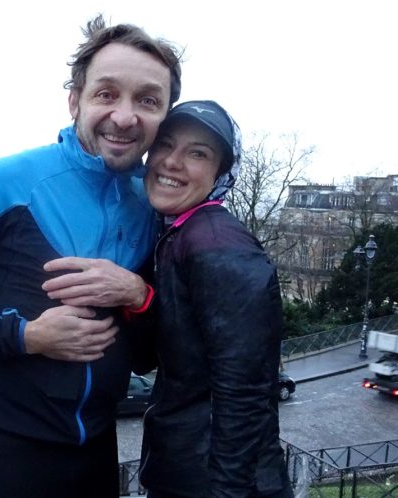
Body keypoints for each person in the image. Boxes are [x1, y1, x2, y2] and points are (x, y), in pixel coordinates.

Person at [0, 14, 181, 498]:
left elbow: (149, 354)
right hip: (7, 443)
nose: (126, 116)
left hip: (97, 441)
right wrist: (27, 336)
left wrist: (138, 293)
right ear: (75, 101)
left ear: (164, 114)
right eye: (106, 93)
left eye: (147, 100)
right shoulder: (9, 180)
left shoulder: (151, 201)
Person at [137, 100, 291, 497]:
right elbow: (153, 358)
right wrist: (138, 298)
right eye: (165, 145)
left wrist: (228, 492)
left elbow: (245, 391)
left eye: (197, 153)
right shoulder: (179, 233)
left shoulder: (219, 244)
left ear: (221, 172)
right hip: (186, 471)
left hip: (213, 482)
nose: (172, 162)